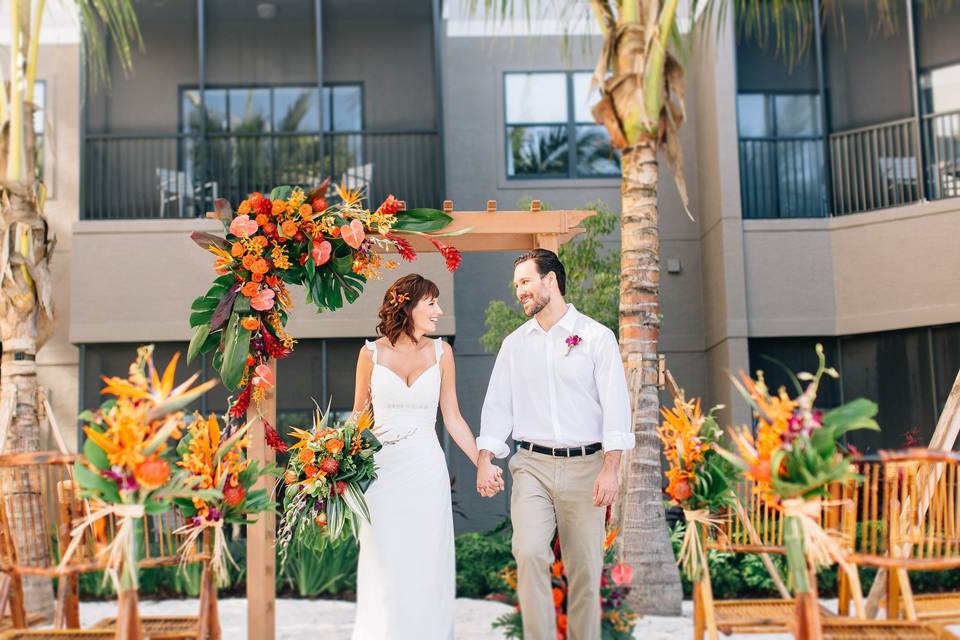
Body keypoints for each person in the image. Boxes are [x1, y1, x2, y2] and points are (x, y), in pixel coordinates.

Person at [477, 248, 635, 640]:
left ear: (550, 280)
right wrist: (485, 458)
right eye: (517, 285)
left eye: (525, 282)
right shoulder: (514, 344)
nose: (520, 292)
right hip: (531, 465)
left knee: (585, 569)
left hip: (587, 467)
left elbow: (616, 408)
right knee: (529, 552)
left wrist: (610, 469)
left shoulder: (598, 338)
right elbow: (498, 407)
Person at [350, 273, 503, 640]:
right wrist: (336, 468)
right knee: (384, 561)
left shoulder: (441, 352)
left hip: (425, 469)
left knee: (425, 560)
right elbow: (358, 416)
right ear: (408, 305)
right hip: (380, 472)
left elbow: (452, 416)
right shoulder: (370, 353)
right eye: (431, 303)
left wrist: (482, 460)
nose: (439, 310)